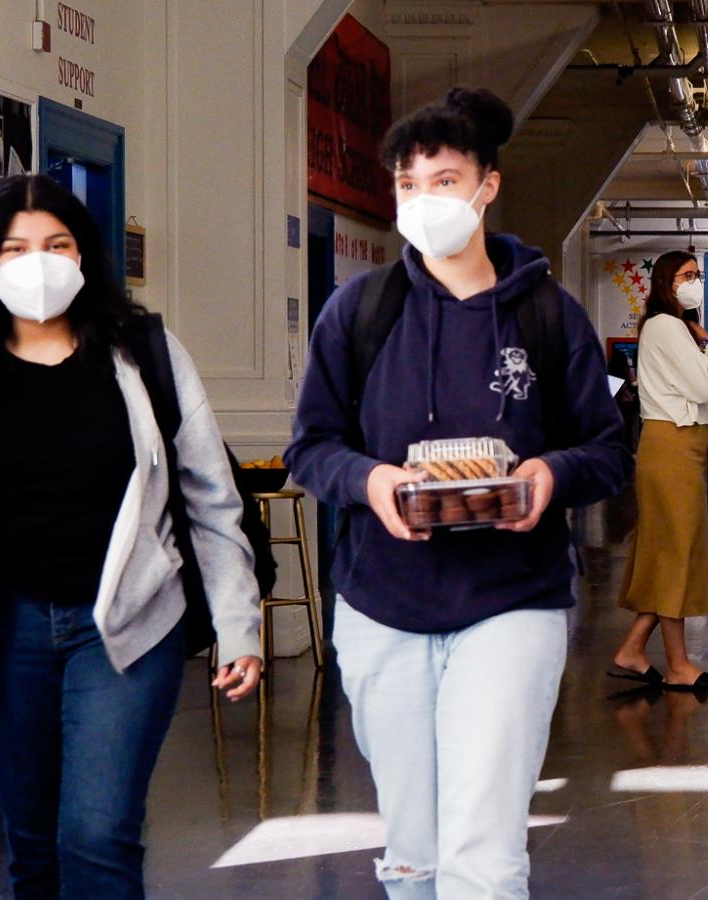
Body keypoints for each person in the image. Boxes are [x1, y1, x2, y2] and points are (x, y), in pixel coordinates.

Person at [0, 174, 264, 899]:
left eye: (56, 245)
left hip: (128, 629)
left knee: (97, 832)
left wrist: (239, 625)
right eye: (14, 248)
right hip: (2, 635)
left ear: (84, 258)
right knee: (35, 847)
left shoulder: (146, 354)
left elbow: (212, 499)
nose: (36, 262)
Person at [286, 87, 632, 898]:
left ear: (487, 185)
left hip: (512, 598)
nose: (424, 200)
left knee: (483, 849)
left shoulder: (549, 315)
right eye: (408, 185)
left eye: (443, 180)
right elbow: (311, 447)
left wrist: (550, 474)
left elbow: (609, 450)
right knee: (412, 849)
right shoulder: (357, 312)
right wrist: (371, 481)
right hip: (382, 604)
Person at [612, 250, 708, 693]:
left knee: (669, 549)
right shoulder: (667, 325)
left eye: (697, 275)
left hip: (681, 444)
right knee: (676, 550)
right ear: (665, 281)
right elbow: (704, 385)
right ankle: (678, 664)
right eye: (686, 275)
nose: (693, 282)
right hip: (673, 446)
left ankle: (635, 648)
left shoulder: (672, 327)